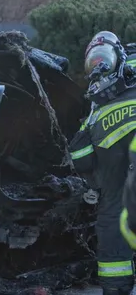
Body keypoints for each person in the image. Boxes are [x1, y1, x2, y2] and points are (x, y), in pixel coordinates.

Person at [68, 31, 135, 295]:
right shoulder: (101, 95)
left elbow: (80, 157)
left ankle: (117, 288)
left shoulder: (98, 101)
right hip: (115, 164)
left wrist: (94, 184)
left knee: (113, 219)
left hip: (112, 163)